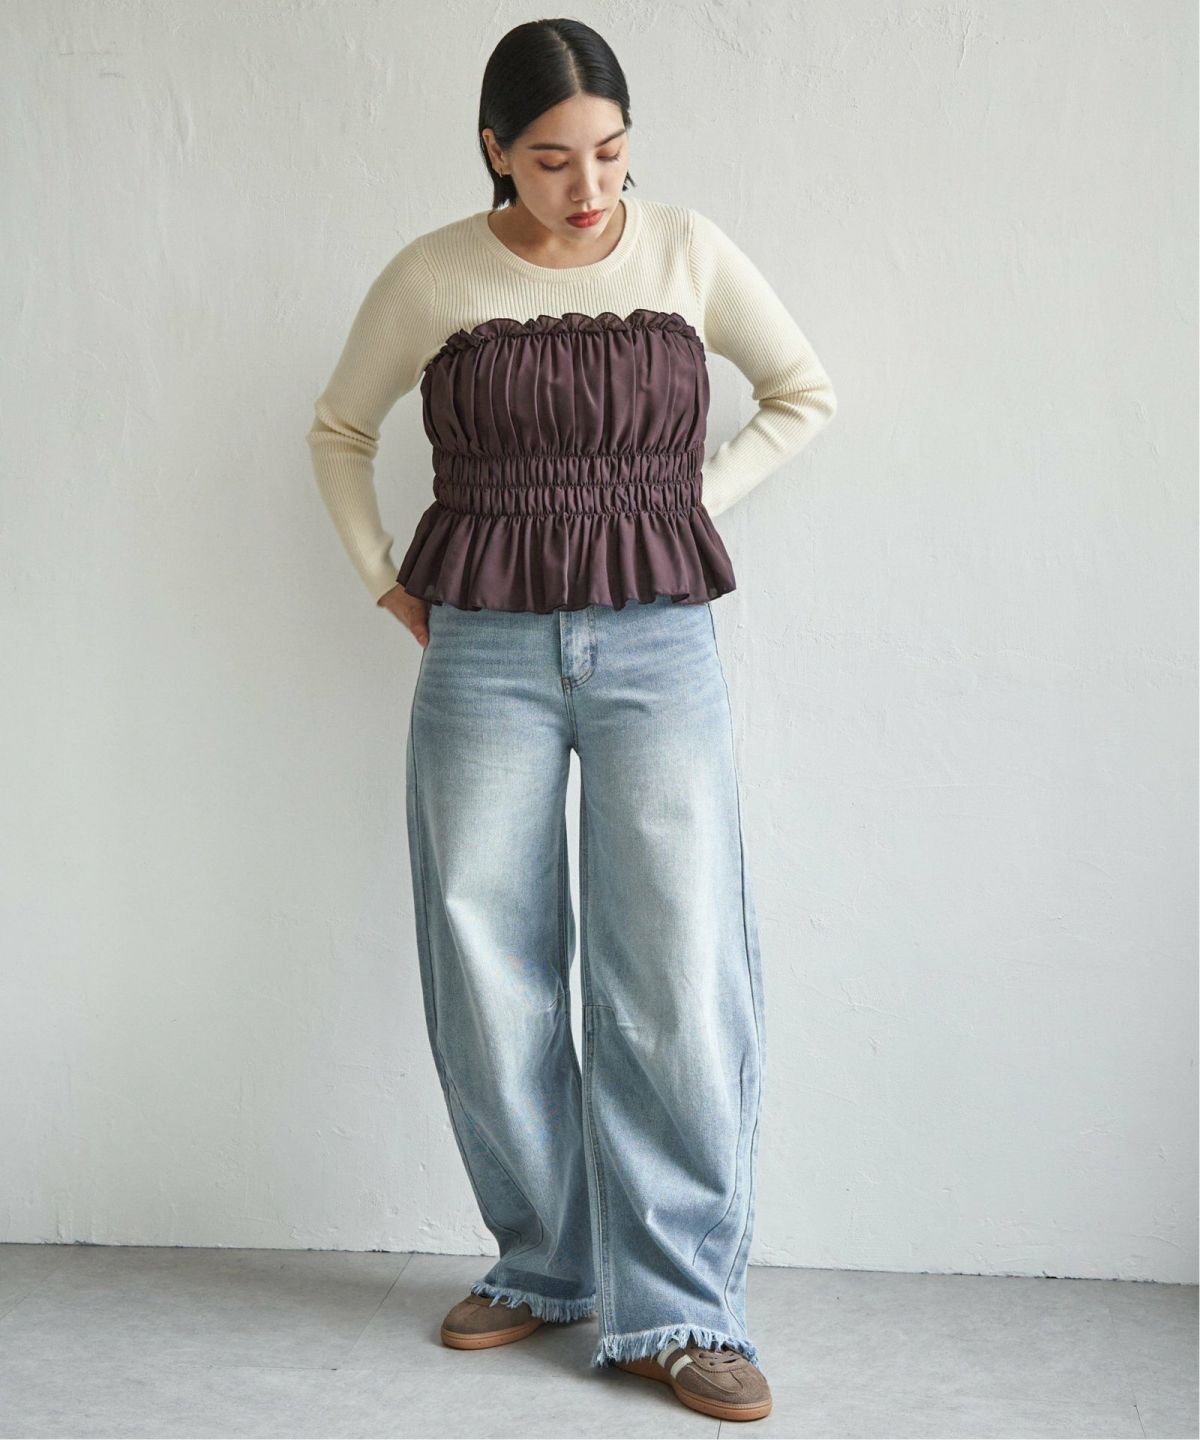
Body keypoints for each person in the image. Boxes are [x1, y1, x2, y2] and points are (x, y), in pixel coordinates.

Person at [305, 18, 836, 1425]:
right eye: (551, 160)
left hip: (658, 640)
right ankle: (545, 1262)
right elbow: (340, 430)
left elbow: (804, 393)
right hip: (481, 646)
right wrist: (382, 578)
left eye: (609, 152)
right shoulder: (434, 275)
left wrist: (681, 507)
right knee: (487, 958)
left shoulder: (687, 252)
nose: (588, 186)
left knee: (675, 966)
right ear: (495, 149)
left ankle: (684, 1309)